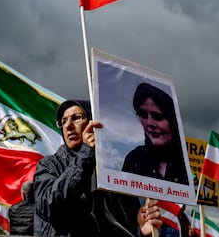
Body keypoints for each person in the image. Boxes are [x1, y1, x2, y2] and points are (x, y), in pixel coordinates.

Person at [33, 99, 162, 237]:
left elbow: (122, 225)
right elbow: (49, 206)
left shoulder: (114, 169)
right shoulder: (49, 165)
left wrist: (141, 230)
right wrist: (85, 155)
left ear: (93, 122)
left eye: (76, 118)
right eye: (63, 121)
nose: (68, 125)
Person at [122, 82, 189, 185]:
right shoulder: (134, 159)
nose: (149, 123)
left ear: (173, 121)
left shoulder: (188, 164)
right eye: (143, 115)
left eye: (157, 116)